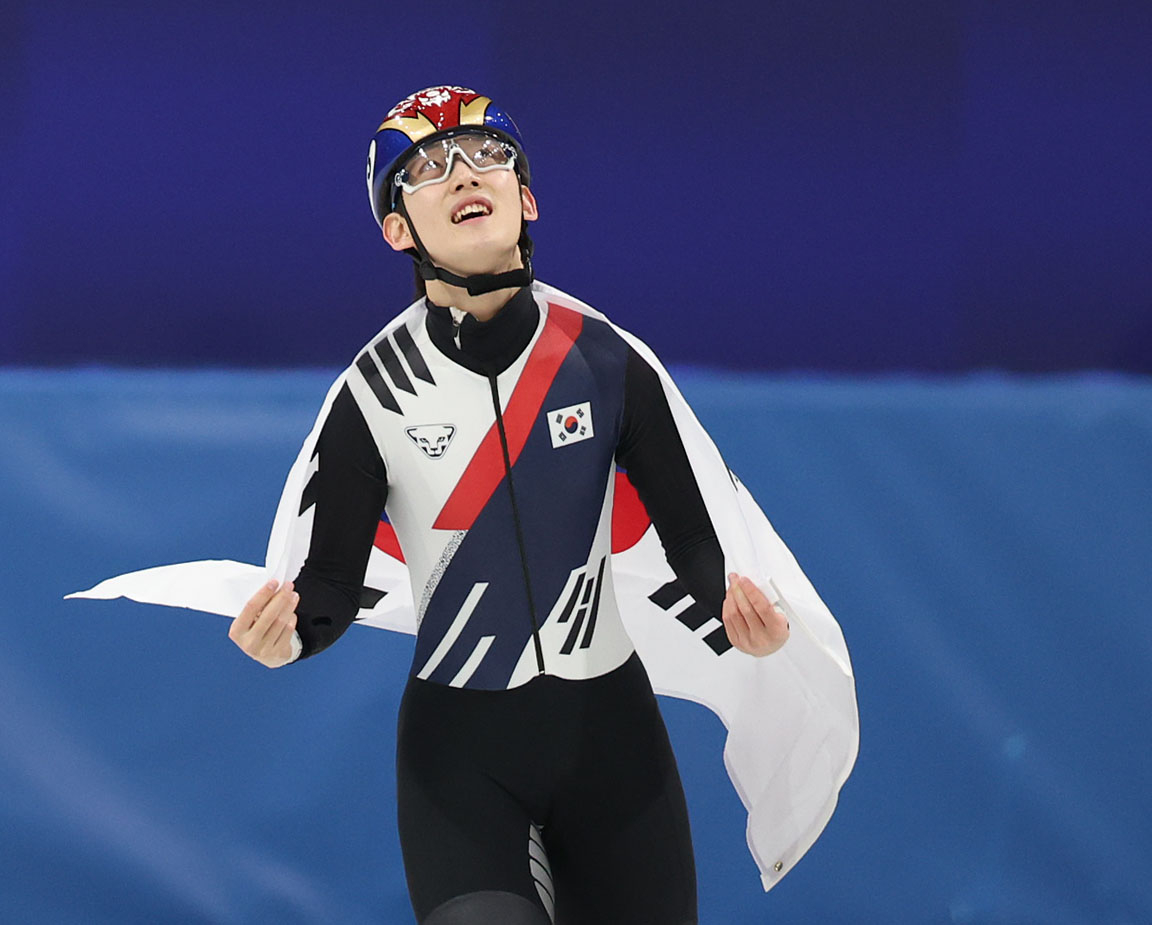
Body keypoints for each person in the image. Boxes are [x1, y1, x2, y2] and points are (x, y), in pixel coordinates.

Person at [226, 86, 789, 925]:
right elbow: (332, 581)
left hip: (614, 748)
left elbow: (694, 538)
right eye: (428, 167)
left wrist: (736, 612)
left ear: (526, 199)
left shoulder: (605, 360)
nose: (463, 173)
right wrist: (291, 634)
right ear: (397, 230)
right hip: (462, 762)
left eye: (487, 155)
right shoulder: (373, 395)